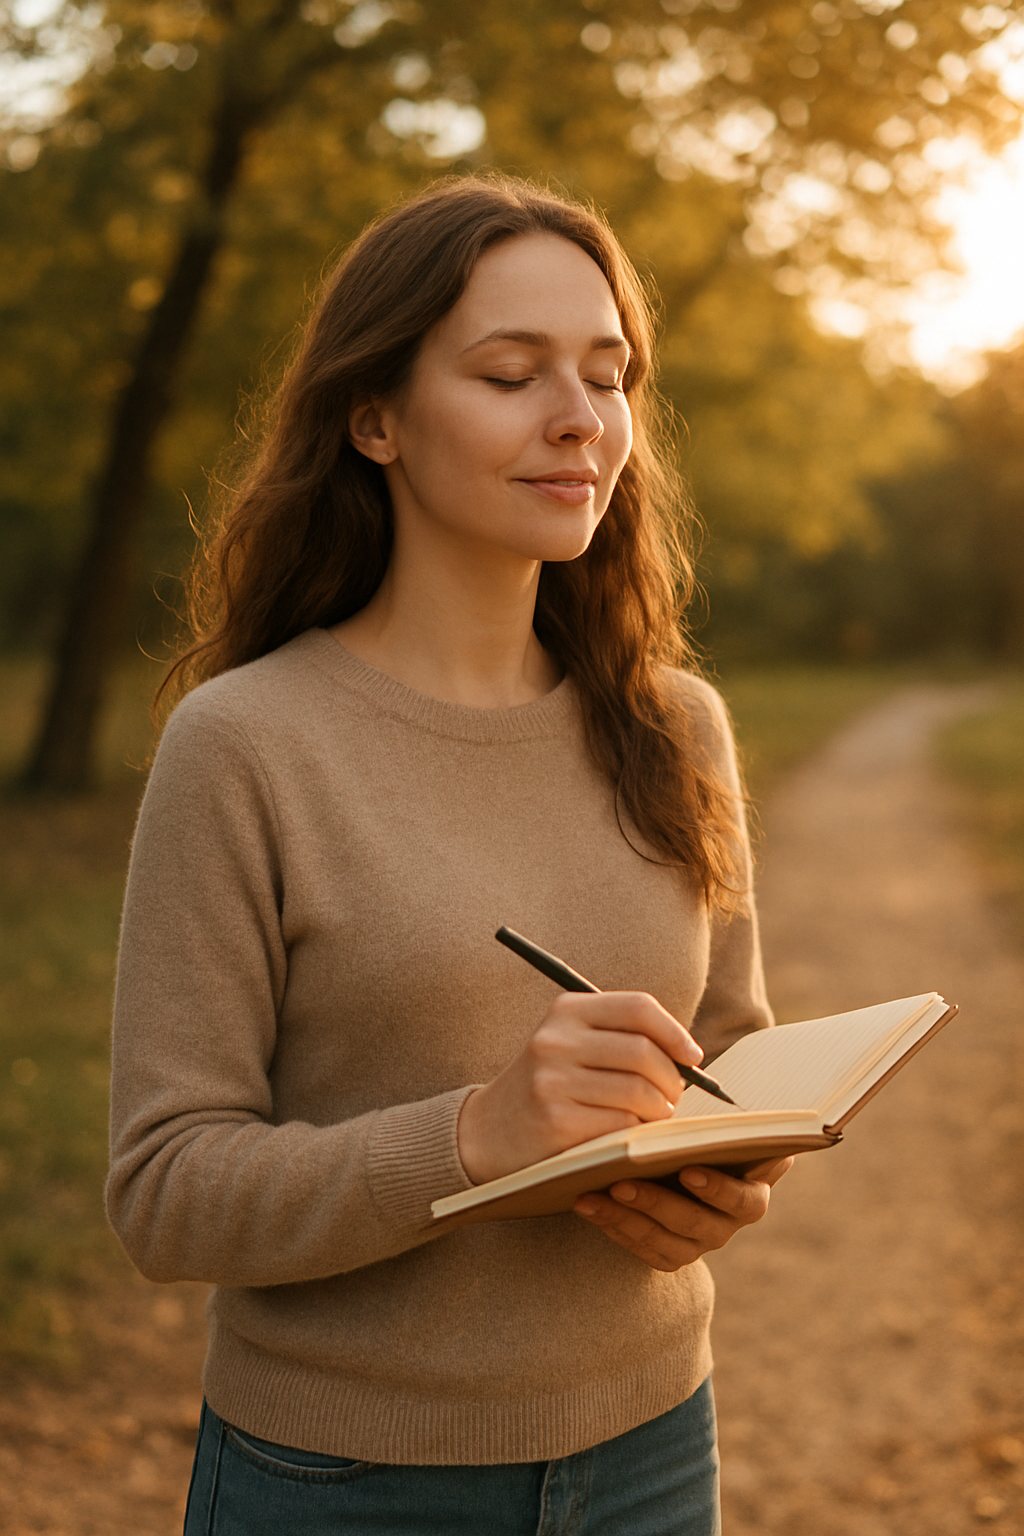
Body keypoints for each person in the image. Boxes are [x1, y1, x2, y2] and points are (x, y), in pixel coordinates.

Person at [106, 174, 790, 1536]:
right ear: (375, 420)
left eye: (609, 375)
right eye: (509, 373)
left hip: (656, 1443)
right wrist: (478, 1137)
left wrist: (723, 1181)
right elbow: (164, 1194)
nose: (582, 420)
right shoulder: (244, 745)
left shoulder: (678, 726)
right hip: (344, 1480)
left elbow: (729, 1045)